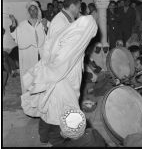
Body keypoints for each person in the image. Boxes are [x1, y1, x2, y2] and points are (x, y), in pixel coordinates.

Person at [21, 15, 98, 146]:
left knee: (48, 111)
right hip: (63, 82)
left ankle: (44, 137)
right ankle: (55, 141)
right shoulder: (76, 41)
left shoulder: (68, 34)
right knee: (60, 113)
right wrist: (48, 74)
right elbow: (61, 64)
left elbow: (50, 47)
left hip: (59, 80)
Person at [8, 1, 47, 94]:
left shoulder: (44, 22)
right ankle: (30, 97)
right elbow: (15, 36)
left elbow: (51, 37)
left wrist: (45, 27)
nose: (33, 12)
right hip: (29, 56)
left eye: (35, 10)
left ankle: (42, 96)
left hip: (42, 55)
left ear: (38, 11)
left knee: (42, 77)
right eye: (31, 10)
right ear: (28, 12)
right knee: (30, 77)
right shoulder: (23, 25)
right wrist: (13, 22)